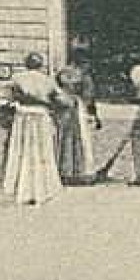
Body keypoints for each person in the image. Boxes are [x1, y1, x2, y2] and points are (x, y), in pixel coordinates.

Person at [0, 52, 69, 205]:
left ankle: (22, 190)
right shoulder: (47, 80)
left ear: (26, 64)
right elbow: (63, 100)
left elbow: (7, 97)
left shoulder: (17, 78)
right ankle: (42, 190)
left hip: (22, 117)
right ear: (41, 65)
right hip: (41, 116)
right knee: (42, 151)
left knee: (22, 150)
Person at [53, 54, 100, 185]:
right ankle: (80, 172)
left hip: (63, 108)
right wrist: (94, 115)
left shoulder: (61, 73)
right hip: (78, 108)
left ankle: (63, 171)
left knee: (63, 139)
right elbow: (89, 97)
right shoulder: (84, 76)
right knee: (81, 140)